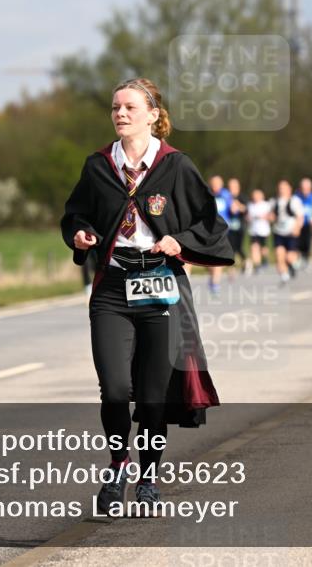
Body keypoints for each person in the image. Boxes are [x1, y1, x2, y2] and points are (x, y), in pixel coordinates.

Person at [61, 77, 232, 516]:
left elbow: (211, 224)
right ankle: (118, 466)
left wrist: (181, 241)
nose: (120, 114)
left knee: (153, 394)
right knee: (116, 389)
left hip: (160, 287)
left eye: (129, 108)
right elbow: (75, 212)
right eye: (115, 107)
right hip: (114, 288)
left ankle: (148, 477)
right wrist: (79, 234)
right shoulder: (98, 165)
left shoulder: (176, 165)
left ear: (153, 114)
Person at [270, 179, 304, 284]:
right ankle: (284, 276)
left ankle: (296, 263)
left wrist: (297, 228)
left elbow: (300, 216)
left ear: (289, 189)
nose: (282, 190)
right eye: (280, 188)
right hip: (278, 232)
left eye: (284, 188)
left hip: (291, 232)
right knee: (279, 254)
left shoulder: (294, 201)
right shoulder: (274, 201)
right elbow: (271, 215)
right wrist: (269, 218)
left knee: (289, 257)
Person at [208, 176, 232, 295]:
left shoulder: (226, 195)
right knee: (208, 257)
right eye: (213, 184)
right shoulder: (206, 193)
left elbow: (233, 209)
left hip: (222, 230)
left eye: (217, 184)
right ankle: (212, 276)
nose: (215, 186)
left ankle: (215, 282)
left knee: (218, 256)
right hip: (208, 230)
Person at [226, 178, 249, 275]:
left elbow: (246, 209)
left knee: (239, 247)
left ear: (238, 187)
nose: (231, 188)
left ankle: (246, 262)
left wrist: (237, 205)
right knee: (231, 248)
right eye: (230, 186)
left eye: (233, 186)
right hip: (229, 227)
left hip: (240, 227)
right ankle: (232, 268)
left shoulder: (242, 197)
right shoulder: (226, 197)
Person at [246, 189, 272, 272]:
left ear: (262, 196)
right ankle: (257, 265)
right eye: (254, 195)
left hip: (263, 230)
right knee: (254, 248)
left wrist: (265, 217)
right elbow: (247, 216)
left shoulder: (266, 205)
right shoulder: (250, 205)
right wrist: (248, 218)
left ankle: (265, 259)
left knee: (263, 248)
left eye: (257, 195)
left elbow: (271, 216)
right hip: (253, 230)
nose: (255, 197)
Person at [295, 177, 312, 266]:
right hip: (299, 225)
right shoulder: (296, 197)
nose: (305, 190)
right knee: (298, 242)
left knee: (309, 242)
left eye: (307, 188)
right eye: (303, 188)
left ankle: (309, 258)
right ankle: (298, 258)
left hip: (310, 225)